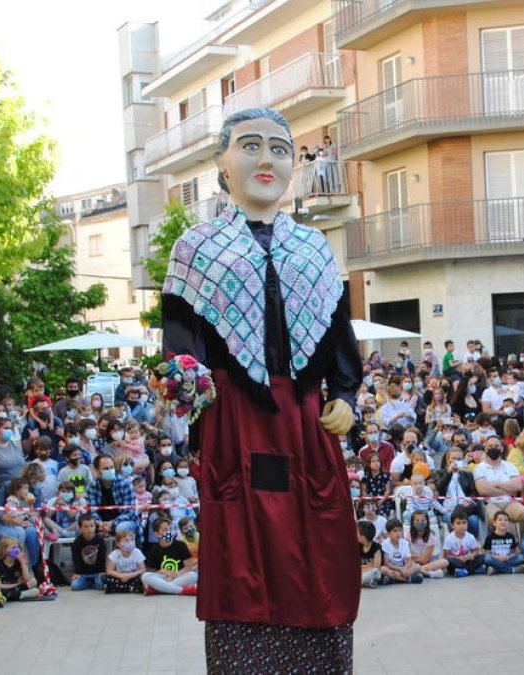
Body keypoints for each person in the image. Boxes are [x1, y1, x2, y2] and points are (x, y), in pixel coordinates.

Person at [162, 108, 362, 671]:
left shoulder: (315, 247)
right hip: (233, 421)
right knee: (241, 543)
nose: (267, 159)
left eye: (280, 148)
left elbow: (338, 334)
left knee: (317, 540)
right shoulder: (195, 247)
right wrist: (188, 387)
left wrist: (346, 394)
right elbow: (181, 347)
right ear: (222, 164)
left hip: (305, 421)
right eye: (251, 146)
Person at [142, 517, 198, 595]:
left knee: (193, 575)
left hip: (178, 576)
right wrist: (163, 571)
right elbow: (151, 569)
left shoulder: (181, 545)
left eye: (171, 529)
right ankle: (181, 591)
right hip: (163, 578)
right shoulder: (155, 549)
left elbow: (188, 567)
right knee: (145, 576)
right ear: (157, 534)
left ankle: (158, 589)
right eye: (165, 530)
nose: (169, 532)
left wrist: (175, 575)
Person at [379, 518, 423, 585]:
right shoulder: (385, 544)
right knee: (383, 569)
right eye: (395, 531)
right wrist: (400, 569)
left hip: (403, 566)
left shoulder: (405, 543)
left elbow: (408, 559)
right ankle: (407, 579)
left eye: (400, 530)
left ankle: (394, 579)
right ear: (388, 533)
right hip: (392, 568)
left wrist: (405, 568)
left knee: (417, 566)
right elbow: (386, 563)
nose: (398, 533)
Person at [70, 514, 108, 591]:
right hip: (83, 573)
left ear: (95, 527)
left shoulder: (100, 540)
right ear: (80, 529)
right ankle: (89, 582)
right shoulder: (77, 542)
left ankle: (92, 582)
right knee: (74, 586)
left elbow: (103, 557)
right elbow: (76, 558)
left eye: (91, 526)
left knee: (100, 585)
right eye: (86, 527)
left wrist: (102, 571)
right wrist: (77, 573)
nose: (89, 529)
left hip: (97, 572)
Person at [443, 510, 484, 577]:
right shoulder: (449, 538)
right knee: (448, 561)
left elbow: (476, 551)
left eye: (464, 523)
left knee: (482, 557)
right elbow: (446, 555)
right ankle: (471, 570)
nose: (462, 526)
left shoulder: (471, 537)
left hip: (467, 560)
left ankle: (464, 571)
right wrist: (458, 557)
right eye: (458, 523)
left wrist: (471, 555)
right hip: (457, 561)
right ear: (452, 525)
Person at [104, 530, 146, 594]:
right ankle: (131, 588)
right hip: (119, 577)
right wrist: (121, 576)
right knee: (105, 578)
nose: (130, 542)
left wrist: (129, 575)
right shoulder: (115, 554)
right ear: (118, 544)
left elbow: (143, 570)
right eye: (126, 540)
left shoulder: (137, 552)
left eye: (132, 540)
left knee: (142, 578)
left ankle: (118, 588)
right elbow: (109, 571)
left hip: (133, 577)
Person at [482, 511, 519, 575]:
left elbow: (514, 552)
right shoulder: (490, 537)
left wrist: (508, 557)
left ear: (508, 523)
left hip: (507, 559)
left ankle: (496, 569)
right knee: (487, 559)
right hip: (495, 559)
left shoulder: (511, 536)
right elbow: (487, 553)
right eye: (500, 520)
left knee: (521, 557)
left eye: (505, 520)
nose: (503, 522)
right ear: (494, 523)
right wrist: (497, 557)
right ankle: (511, 569)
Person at [357, 521, 383, 589]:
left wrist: (364, 568)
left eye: (357, 532)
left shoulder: (376, 547)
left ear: (362, 537)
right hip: (359, 573)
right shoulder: (357, 546)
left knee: (375, 572)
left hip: (370, 572)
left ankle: (365, 581)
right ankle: (368, 582)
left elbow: (376, 567)